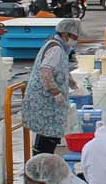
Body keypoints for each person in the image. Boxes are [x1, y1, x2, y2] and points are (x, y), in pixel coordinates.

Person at [22, 18, 82, 155]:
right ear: (65, 34)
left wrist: (70, 81)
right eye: (74, 37)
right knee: (48, 137)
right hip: (45, 101)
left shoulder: (58, 46)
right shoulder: (55, 49)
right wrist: (56, 93)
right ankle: (42, 167)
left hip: (46, 103)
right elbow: (46, 72)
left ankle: (41, 165)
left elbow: (58, 68)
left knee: (46, 134)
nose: (76, 41)